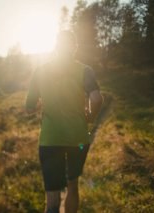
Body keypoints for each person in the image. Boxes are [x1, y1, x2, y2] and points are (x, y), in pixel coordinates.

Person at [25, 30, 103, 213]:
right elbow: (97, 98)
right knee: (72, 185)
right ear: (74, 48)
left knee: (52, 200)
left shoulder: (40, 71)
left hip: (50, 140)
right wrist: (90, 117)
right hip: (78, 139)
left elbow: (28, 108)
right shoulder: (85, 70)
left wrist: (40, 105)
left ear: (56, 47)